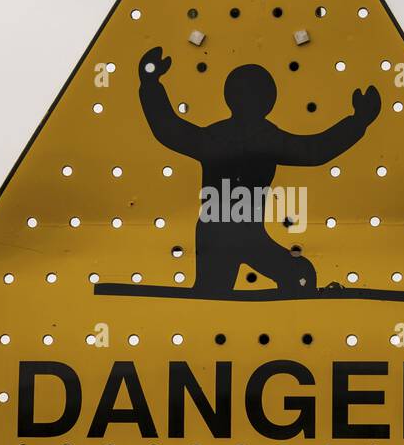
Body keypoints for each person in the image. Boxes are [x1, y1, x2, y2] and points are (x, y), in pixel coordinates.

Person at [138, 46, 381, 295]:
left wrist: (150, 83)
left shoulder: (218, 136)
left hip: (224, 234)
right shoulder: (266, 138)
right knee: (299, 274)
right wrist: (358, 122)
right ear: (269, 100)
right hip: (238, 236)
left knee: (215, 292)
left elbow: (169, 129)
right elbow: (315, 150)